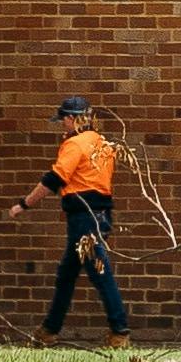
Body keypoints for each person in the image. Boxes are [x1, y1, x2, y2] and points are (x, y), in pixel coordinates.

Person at [40, 95, 128, 340]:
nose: (62, 125)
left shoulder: (75, 144)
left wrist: (23, 204)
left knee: (100, 273)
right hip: (100, 215)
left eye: (63, 120)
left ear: (71, 118)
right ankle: (49, 330)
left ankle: (120, 330)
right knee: (67, 274)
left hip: (84, 217)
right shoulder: (102, 143)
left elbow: (54, 180)